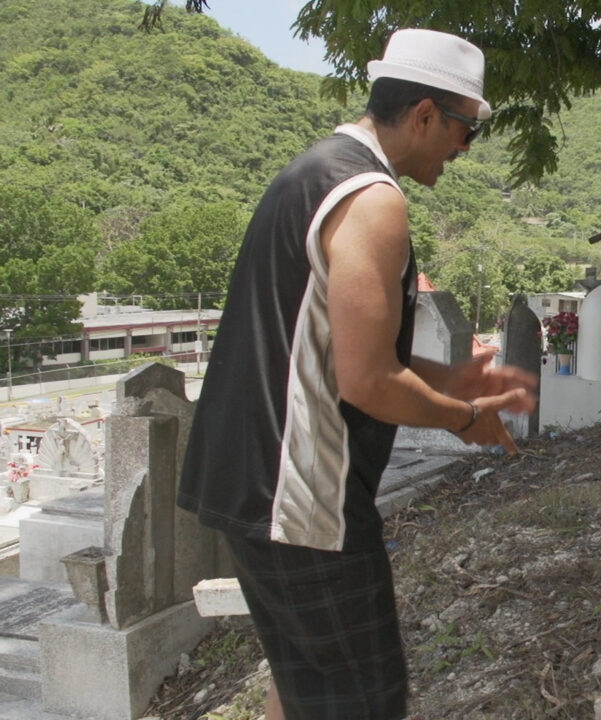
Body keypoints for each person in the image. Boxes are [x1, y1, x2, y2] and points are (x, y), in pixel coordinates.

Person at [178, 29, 536, 720]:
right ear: (426, 113)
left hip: (248, 479)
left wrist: (447, 376)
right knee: (362, 702)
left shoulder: (312, 172)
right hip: (301, 495)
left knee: (305, 683)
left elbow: (323, 344)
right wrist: (465, 418)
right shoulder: (374, 200)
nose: (463, 150)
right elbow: (366, 383)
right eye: (466, 130)